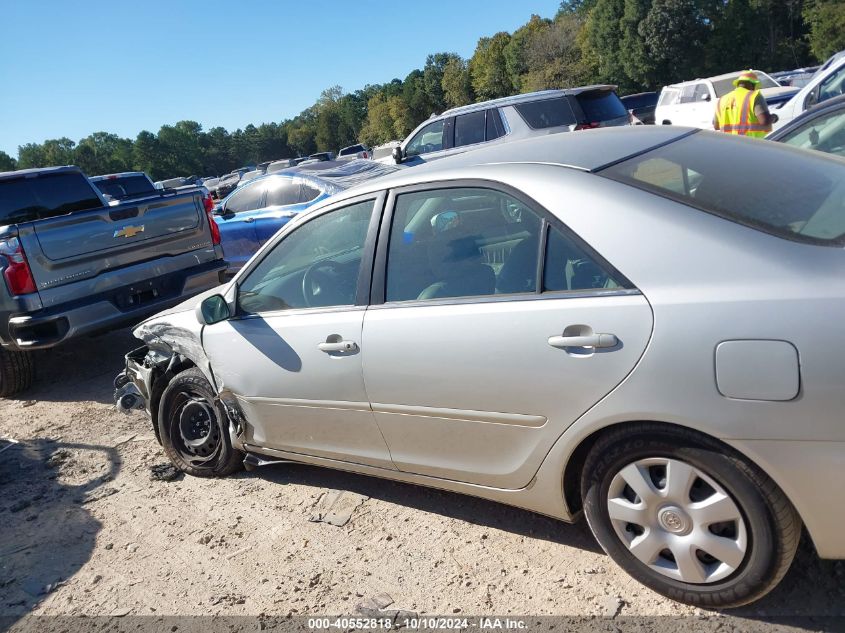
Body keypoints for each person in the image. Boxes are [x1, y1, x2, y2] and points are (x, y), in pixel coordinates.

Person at [713, 71, 775, 137]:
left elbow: (716, 126)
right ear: (753, 84)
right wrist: (773, 117)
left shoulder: (722, 99)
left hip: (728, 144)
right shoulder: (754, 96)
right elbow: (765, 122)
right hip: (751, 143)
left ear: (737, 84)